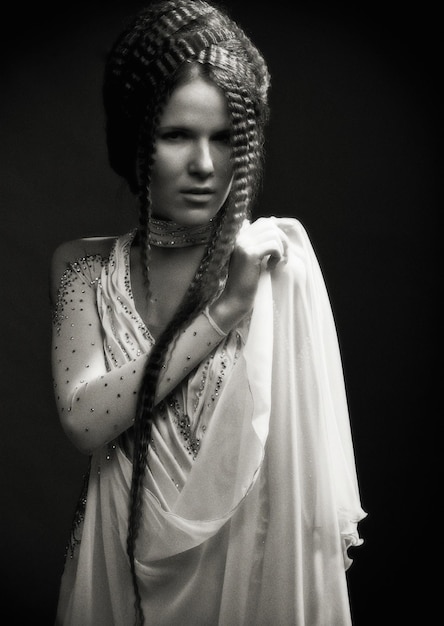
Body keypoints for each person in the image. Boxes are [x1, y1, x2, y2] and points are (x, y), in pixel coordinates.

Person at [50, 1, 366, 624]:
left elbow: (302, 508)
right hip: (115, 574)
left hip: (246, 582)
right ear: (133, 139)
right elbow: (86, 422)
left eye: (225, 138)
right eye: (176, 135)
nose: (204, 165)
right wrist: (226, 309)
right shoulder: (83, 268)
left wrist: (253, 288)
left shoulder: (282, 264)